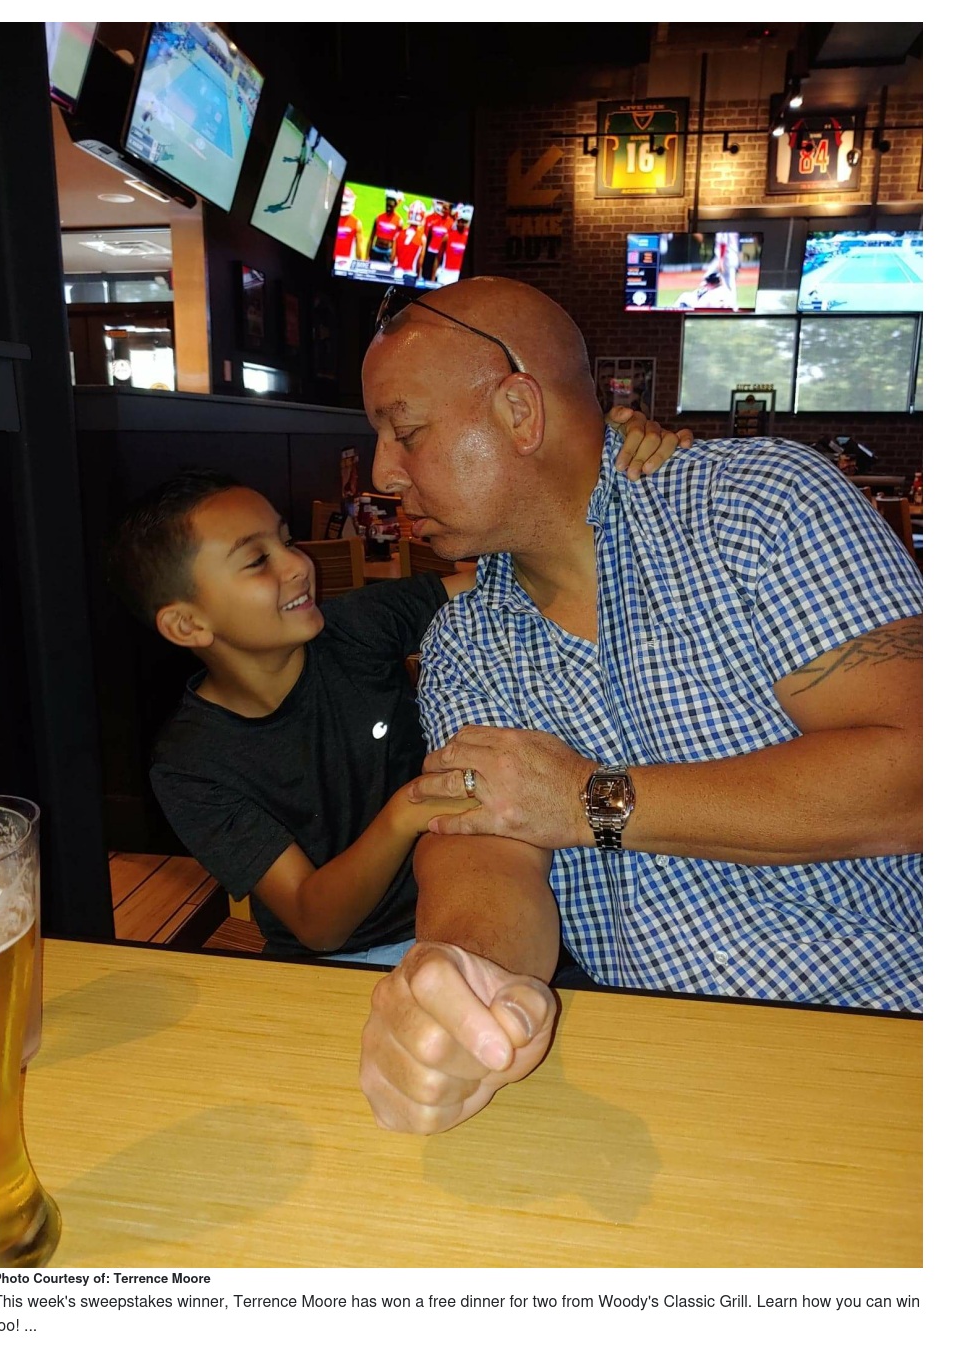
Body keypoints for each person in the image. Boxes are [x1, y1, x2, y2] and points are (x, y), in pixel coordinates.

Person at [358, 278, 923, 1133]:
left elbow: (921, 773)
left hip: (890, 1032)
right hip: (652, 1070)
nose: (381, 473)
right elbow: (486, 854)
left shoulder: (756, 506)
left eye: (405, 432)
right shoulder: (465, 642)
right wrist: (468, 976)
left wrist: (594, 801)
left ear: (519, 411)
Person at [107, 415, 684, 967]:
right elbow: (316, 923)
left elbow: (511, 575)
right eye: (258, 560)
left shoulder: (355, 628)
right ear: (187, 624)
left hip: (460, 912)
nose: (298, 565)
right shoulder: (191, 764)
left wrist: (591, 455)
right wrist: (406, 811)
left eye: (287, 540)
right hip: (327, 968)